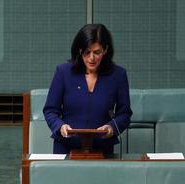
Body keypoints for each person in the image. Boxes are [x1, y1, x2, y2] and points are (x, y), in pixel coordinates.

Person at [43, 23, 132, 155]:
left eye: (97, 52)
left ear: (105, 50)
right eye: (87, 52)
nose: (91, 58)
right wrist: (60, 126)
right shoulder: (63, 72)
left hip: (102, 148)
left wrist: (112, 128)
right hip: (66, 147)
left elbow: (124, 114)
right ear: (79, 50)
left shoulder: (118, 75)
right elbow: (50, 110)